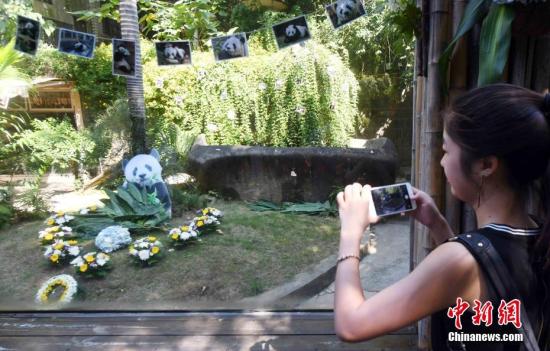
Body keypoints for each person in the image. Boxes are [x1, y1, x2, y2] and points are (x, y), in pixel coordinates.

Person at [334, 83, 550, 350]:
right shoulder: (538, 234)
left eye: (447, 150)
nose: (442, 162)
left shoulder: (458, 261)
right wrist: (437, 225)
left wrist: (351, 232)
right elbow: (486, 284)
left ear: (485, 165)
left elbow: (351, 324)